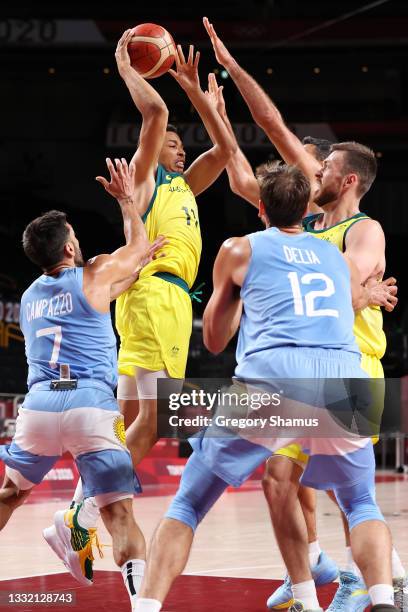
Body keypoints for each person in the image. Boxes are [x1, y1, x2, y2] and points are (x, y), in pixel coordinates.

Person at [203, 17, 405, 611]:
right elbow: (271, 124)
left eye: (321, 170)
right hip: (307, 363)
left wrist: (359, 297)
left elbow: (352, 284)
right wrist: (231, 69)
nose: (308, 171)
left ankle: (382, 582)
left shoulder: (364, 228)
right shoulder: (311, 224)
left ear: (342, 179)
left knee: (349, 495)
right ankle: (311, 589)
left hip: (352, 363)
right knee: (277, 481)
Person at [134, 163, 397, 612]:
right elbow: (348, 301)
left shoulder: (240, 248)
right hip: (343, 377)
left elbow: (215, 340)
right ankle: (385, 600)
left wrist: (239, 301)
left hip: (275, 376)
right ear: (306, 209)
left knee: (189, 504)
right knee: (361, 504)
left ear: (260, 207)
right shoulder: (335, 255)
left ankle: (147, 607)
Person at [43, 29, 236, 587]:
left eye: (180, 143)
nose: (179, 146)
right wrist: (130, 67)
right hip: (155, 294)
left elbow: (224, 150)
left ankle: (77, 507)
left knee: (131, 421)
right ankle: (78, 510)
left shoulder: (187, 188)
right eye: (173, 142)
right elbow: (155, 119)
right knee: (153, 423)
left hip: (161, 301)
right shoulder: (149, 181)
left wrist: (195, 89)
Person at [0, 158, 165, 610]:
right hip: (90, 405)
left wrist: (131, 270)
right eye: (72, 233)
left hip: (37, 411)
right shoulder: (92, 274)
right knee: (119, 513)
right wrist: (128, 202)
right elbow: (138, 245)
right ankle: (143, 607)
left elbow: (113, 284)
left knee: (11, 496)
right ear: (70, 248)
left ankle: (65, 527)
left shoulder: (31, 295)